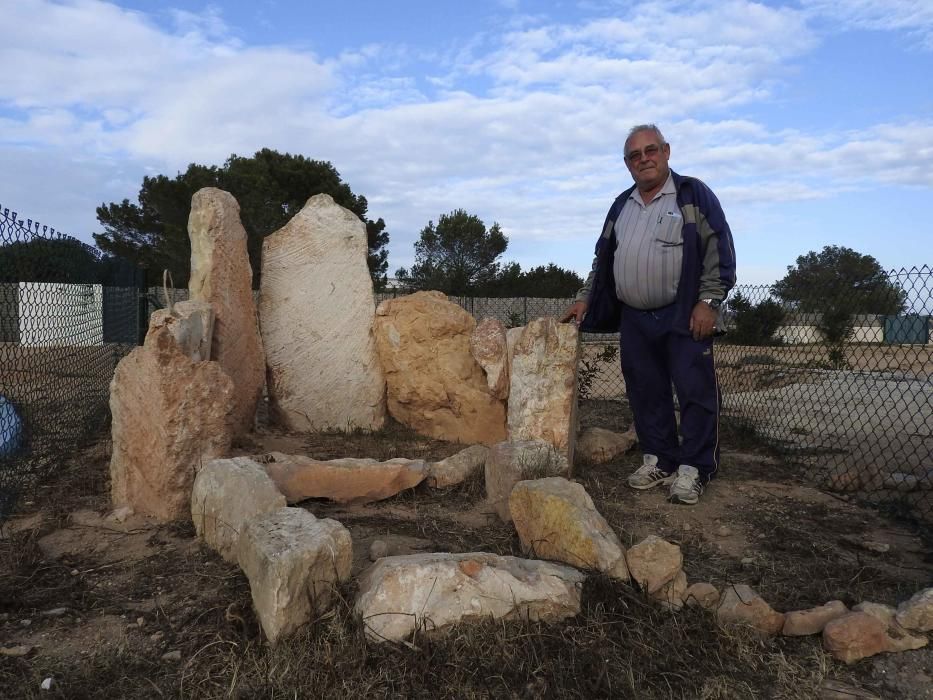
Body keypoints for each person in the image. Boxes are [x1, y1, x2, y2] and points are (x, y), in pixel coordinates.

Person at [561, 124, 736, 505]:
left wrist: (709, 301)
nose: (644, 159)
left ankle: (696, 467)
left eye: (650, 150)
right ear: (627, 164)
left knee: (695, 391)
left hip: (683, 314)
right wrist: (586, 297)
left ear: (667, 151)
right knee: (645, 391)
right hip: (635, 318)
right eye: (635, 155)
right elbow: (603, 259)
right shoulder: (621, 205)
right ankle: (660, 459)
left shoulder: (692, 195)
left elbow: (718, 249)